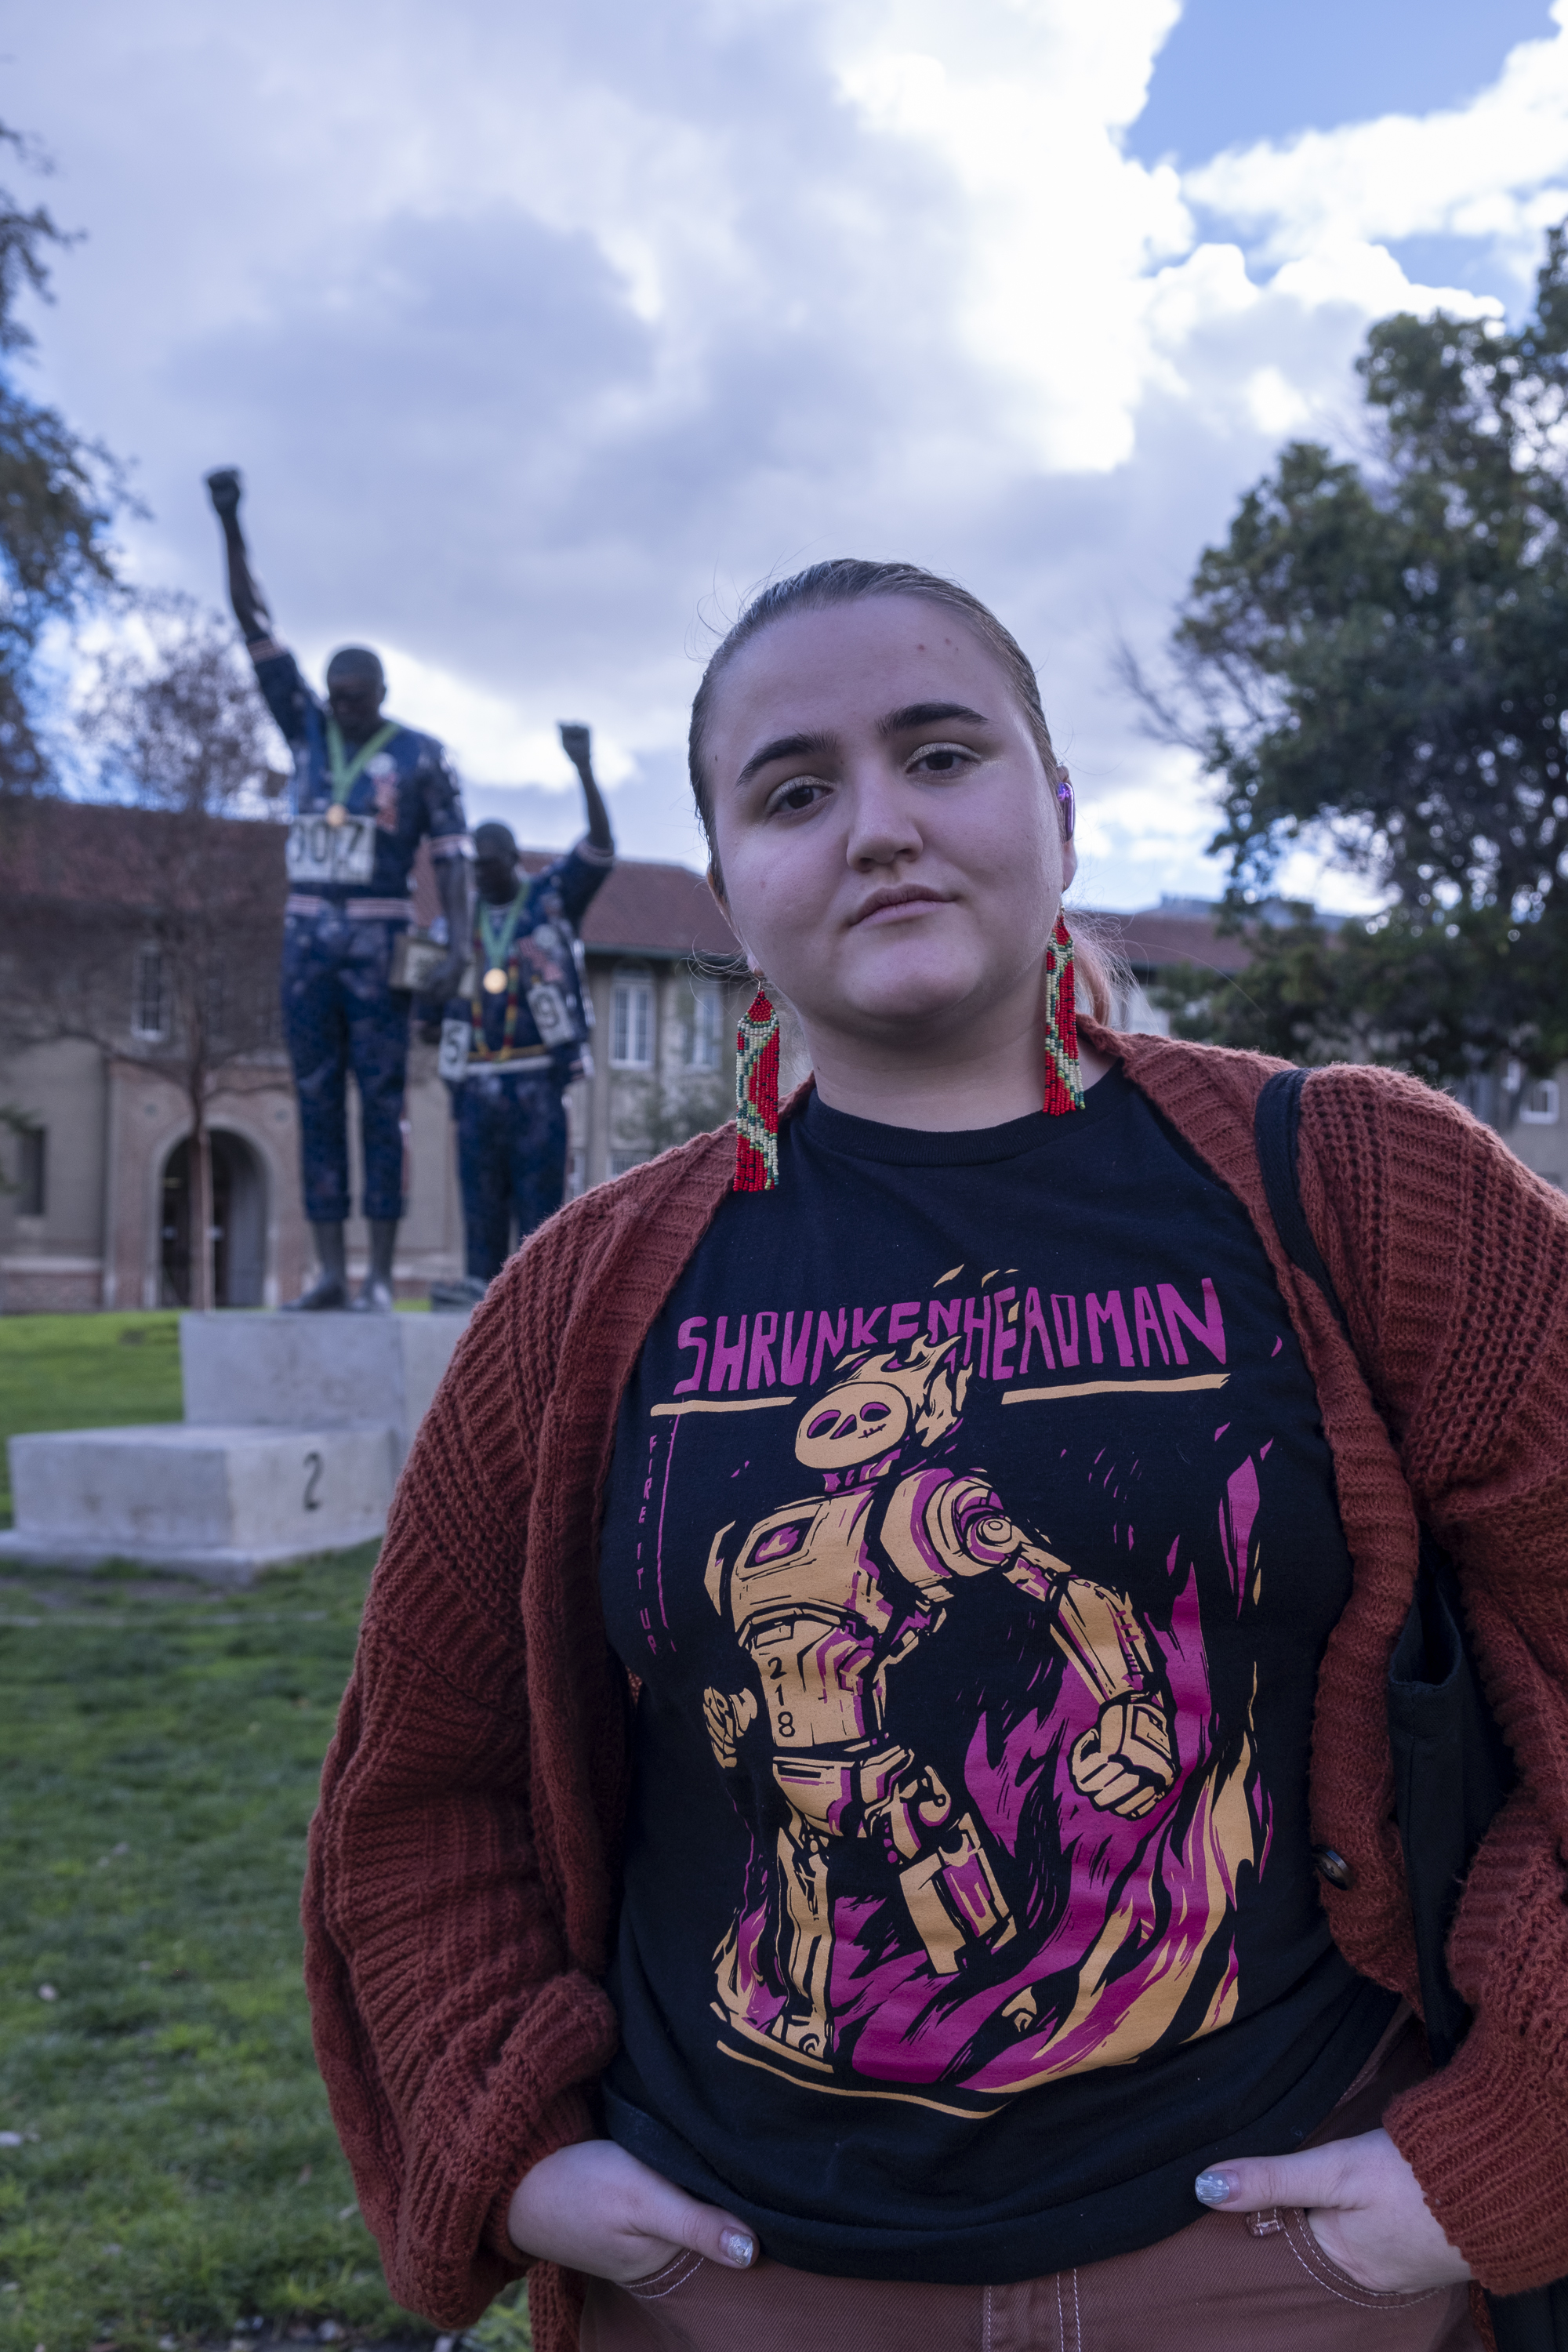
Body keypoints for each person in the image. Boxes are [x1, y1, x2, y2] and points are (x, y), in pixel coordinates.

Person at [303, 561, 1568, 2352]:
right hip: (740, 2286)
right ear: (731, 884)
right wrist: (502, 2132)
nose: (876, 826)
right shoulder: (581, 1301)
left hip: (1271, 2267)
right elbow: (421, 1786)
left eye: (940, 752)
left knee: (959, 1890)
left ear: (1053, 810)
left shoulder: (1362, 1189)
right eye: (795, 791)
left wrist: (1507, 2138)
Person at [205, 467, 470, 1312]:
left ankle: (383, 1274)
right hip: (307, 931)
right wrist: (231, 520)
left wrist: (458, 940)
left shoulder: (421, 755)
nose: (341, 707)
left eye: (356, 699)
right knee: (314, 1093)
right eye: (334, 696)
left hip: (383, 935)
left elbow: (454, 856)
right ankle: (326, 1269)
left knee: (381, 1098)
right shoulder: (307, 730)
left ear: (382, 697)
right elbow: (253, 621)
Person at [429, 727, 614, 1303]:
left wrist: (583, 768)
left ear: (513, 859)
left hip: (537, 1076)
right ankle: (480, 1295)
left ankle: (542, 1295)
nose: (480, 875)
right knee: (479, 1195)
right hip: (477, 1079)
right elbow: (427, 1001)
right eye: (473, 868)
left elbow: (601, 847)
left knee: (538, 1196)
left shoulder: (551, 898)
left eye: (489, 865)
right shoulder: (455, 921)